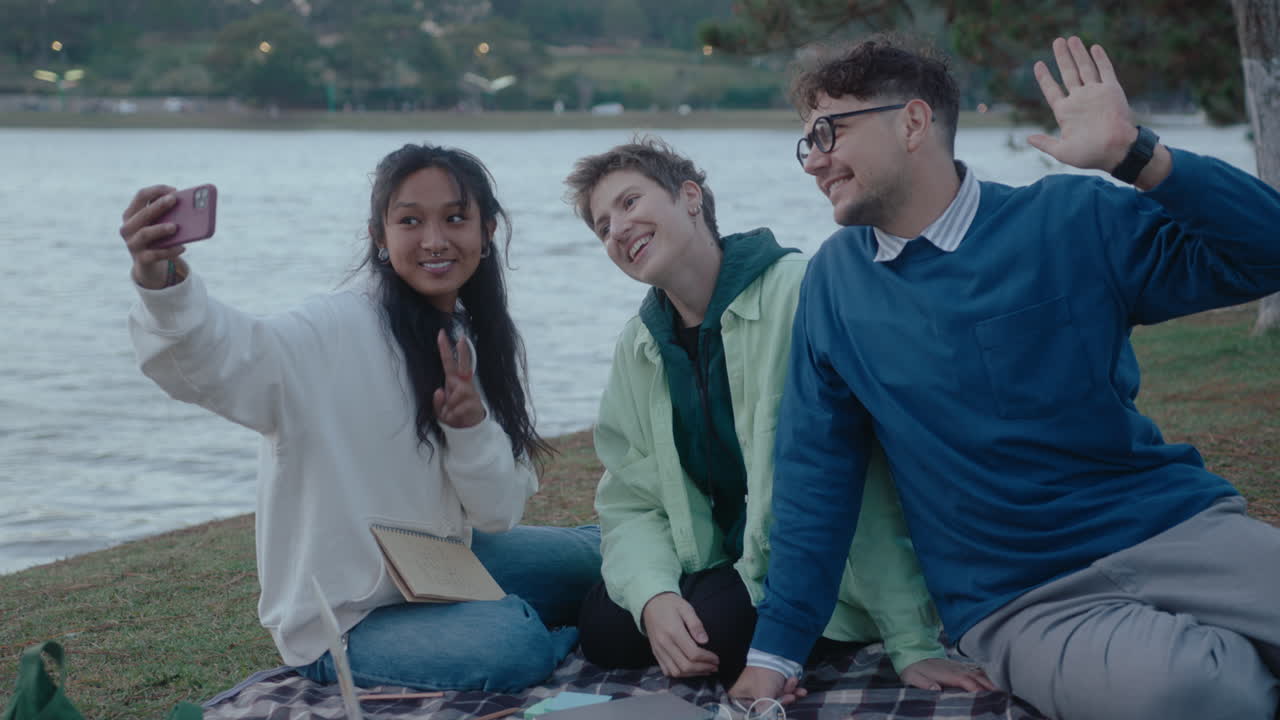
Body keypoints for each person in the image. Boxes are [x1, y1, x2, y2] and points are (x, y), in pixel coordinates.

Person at [730, 34, 1280, 720]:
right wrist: (773, 654)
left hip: (1178, 529)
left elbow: (1266, 254)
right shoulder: (833, 285)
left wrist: (1138, 157)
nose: (813, 159)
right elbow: (818, 473)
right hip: (1026, 596)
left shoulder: (1071, 219)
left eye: (826, 132)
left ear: (912, 123)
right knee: (1194, 693)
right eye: (805, 142)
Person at [118, 144, 601, 692]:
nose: (435, 240)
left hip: (442, 564)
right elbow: (222, 358)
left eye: (456, 218)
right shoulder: (330, 329)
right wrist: (162, 281)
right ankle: (543, 628)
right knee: (513, 645)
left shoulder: (474, 335)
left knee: (596, 561)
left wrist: (469, 429)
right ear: (380, 235)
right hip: (347, 618)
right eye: (410, 221)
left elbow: (497, 512)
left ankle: (567, 606)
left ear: (487, 231)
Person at [563, 137, 993, 692]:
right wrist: (655, 596)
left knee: (712, 634)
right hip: (715, 561)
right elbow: (630, 497)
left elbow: (875, 478)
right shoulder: (641, 346)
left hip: (815, 572)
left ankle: (791, 634)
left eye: (629, 203)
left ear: (690, 197)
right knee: (604, 630)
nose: (617, 229)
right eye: (602, 226)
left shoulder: (801, 293)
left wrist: (911, 642)